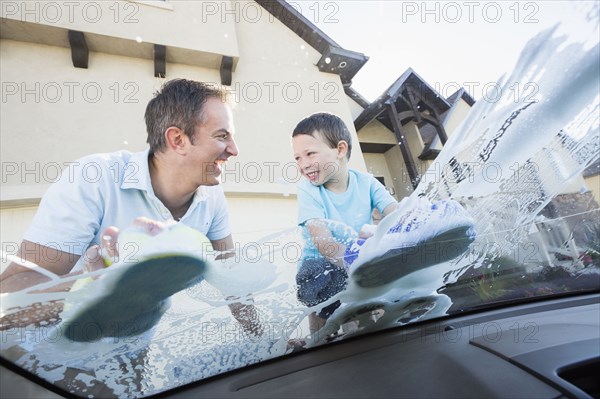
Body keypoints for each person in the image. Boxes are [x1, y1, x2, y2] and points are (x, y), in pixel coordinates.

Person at [291, 112, 399, 334]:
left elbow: (396, 214)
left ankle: (364, 335)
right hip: (318, 268)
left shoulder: (367, 183)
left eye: (310, 153)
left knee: (364, 310)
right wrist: (360, 261)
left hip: (355, 260)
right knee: (326, 312)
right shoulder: (308, 190)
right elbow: (325, 244)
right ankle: (320, 340)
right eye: (298, 158)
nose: (304, 164)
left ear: (340, 150)